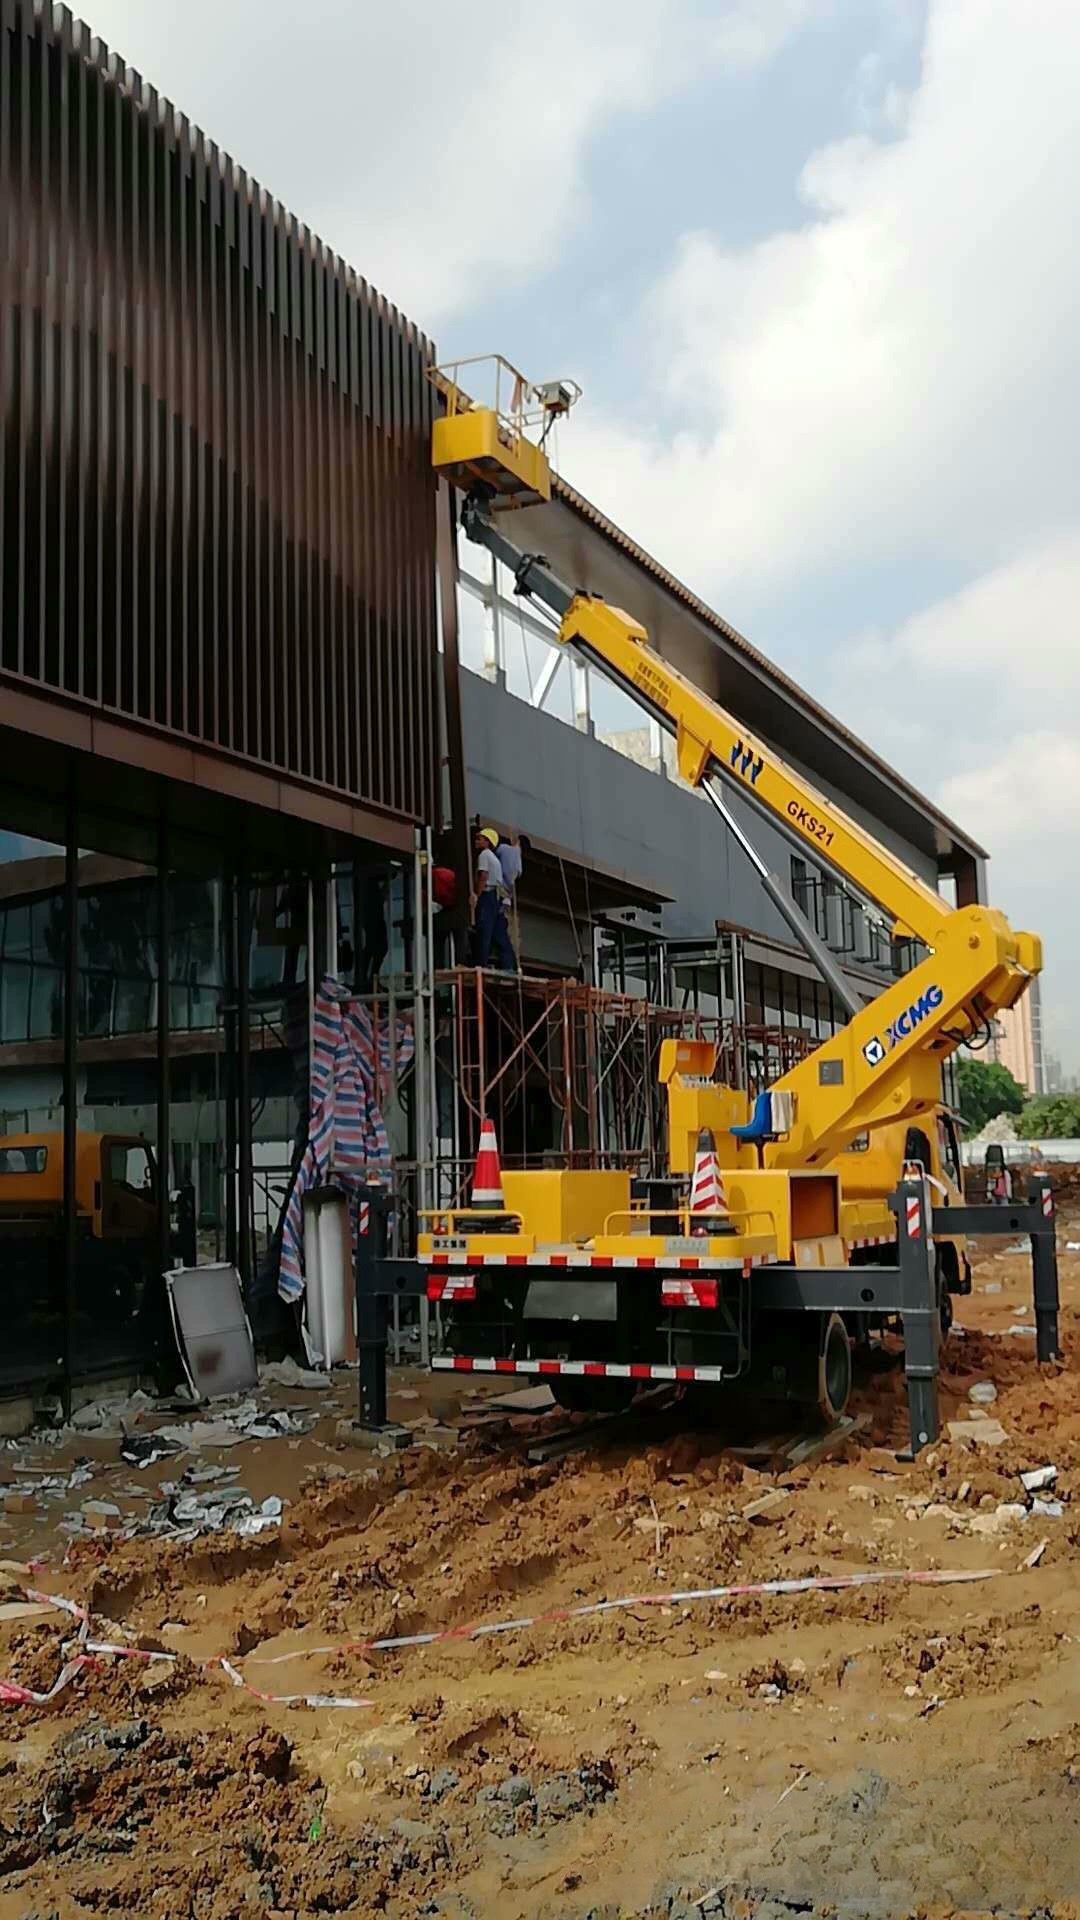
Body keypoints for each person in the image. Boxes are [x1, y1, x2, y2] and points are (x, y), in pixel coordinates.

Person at [472, 825, 516, 970]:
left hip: (488, 895)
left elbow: (483, 876)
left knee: (484, 929)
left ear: (488, 841)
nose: (476, 841)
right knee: (499, 933)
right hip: (497, 896)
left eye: (480, 839)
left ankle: (481, 965)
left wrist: (476, 896)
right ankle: (509, 966)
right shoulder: (495, 859)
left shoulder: (484, 855)